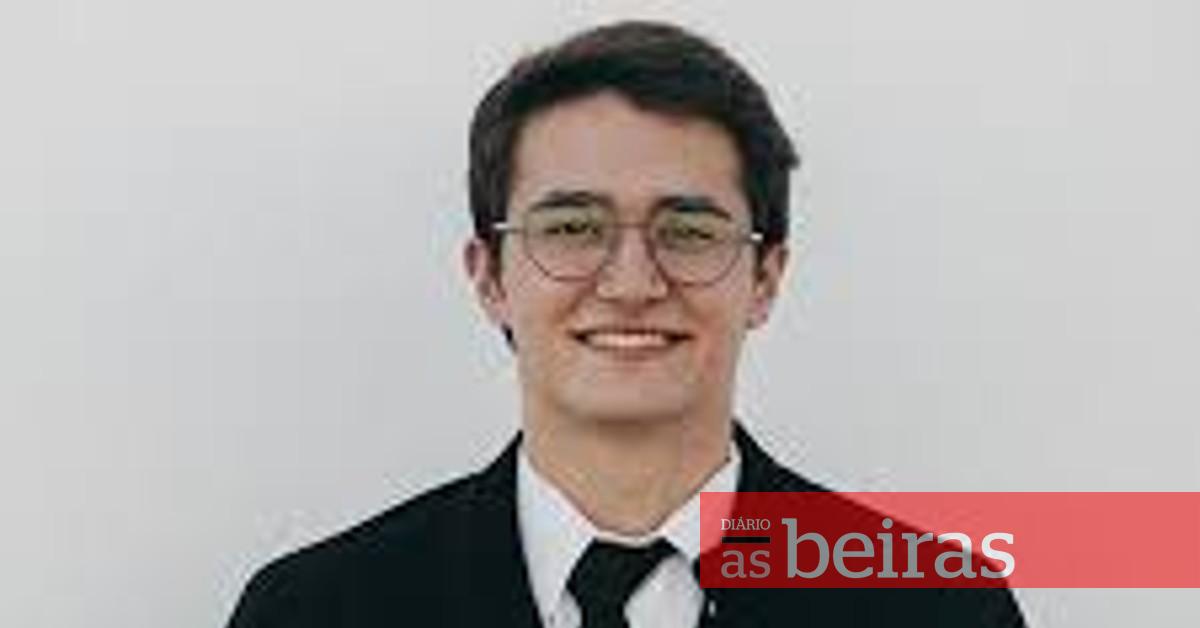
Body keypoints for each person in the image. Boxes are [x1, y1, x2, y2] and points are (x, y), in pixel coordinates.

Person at [226, 20, 1026, 627]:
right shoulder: (313, 611)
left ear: (766, 278)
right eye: (573, 227)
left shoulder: (939, 610)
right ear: (489, 277)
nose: (633, 284)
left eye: (689, 231)